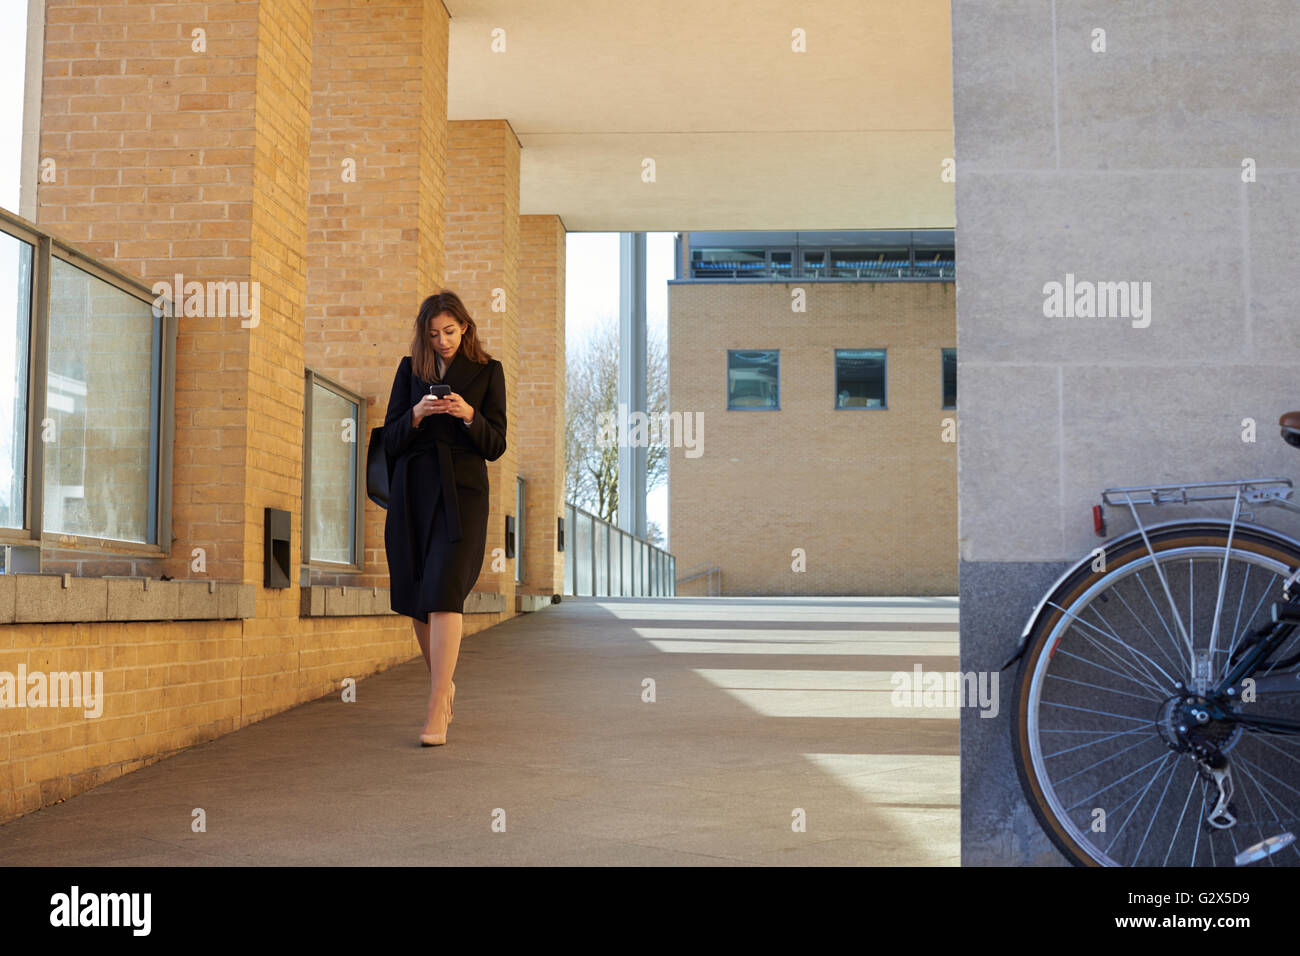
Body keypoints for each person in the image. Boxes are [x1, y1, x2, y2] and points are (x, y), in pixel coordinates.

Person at [382, 290, 507, 746]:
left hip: (463, 493)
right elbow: (391, 440)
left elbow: (496, 444)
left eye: (449, 332)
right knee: (418, 595)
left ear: (466, 327)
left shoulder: (489, 371)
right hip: (413, 491)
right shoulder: (409, 369)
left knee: (444, 590)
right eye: (433, 334)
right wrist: (416, 413)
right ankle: (444, 685)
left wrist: (468, 414)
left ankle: (436, 704)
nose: (442, 341)